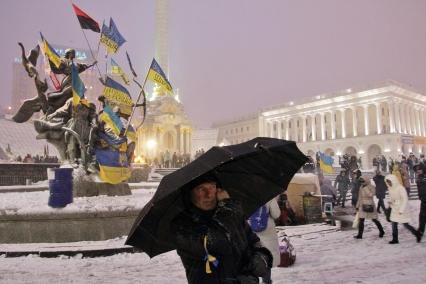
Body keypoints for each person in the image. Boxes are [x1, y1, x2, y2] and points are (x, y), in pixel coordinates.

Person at [172, 175, 273, 284]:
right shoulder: (182, 224)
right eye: (201, 189)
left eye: (212, 187)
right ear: (190, 194)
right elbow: (215, 242)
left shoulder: (232, 215)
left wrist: (262, 256)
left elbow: (254, 242)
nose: (209, 194)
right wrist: (228, 207)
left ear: (218, 189)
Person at [251, 199, 281, 284]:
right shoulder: (268, 195)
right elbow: (276, 214)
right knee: (267, 259)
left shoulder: (243, 194)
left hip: (250, 231)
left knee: (251, 259)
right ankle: (266, 282)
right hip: (267, 231)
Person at [385, 174, 421, 244]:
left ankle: (417, 234)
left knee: (405, 224)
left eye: (389, 181)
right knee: (394, 224)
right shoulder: (390, 188)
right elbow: (392, 198)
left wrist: (401, 210)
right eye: (387, 182)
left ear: (394, 180)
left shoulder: (400, 188)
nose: (388, 183)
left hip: (401, 208)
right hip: (394, 208)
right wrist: (390, 202)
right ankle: (395, 239)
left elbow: (405, 199)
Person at [415, 164, 426, 242]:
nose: (418, 171)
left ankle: (420, 233)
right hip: (423, 200)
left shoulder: (423, 178)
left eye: (419, 170)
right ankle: (420, 233)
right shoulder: (419, 177)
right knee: (421, 217)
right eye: (417, 170)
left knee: (422, 217)